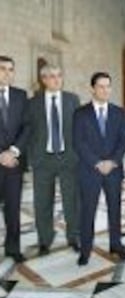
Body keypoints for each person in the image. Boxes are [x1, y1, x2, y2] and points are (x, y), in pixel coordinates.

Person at [73, 72, 125, 265]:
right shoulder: (81, 113)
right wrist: (97, 162)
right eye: (101, 86)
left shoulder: (119, 112)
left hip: (113, 170)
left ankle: (116, 244)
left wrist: (112, 162)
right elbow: (79, 143)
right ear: (92, 89)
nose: (105, 90)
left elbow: (123, 140)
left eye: (108, 86)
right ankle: (86, 249)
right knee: (88, 210)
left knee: (115, 209)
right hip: (90, 171)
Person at [28, 64, 80, 256]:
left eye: (59, 75)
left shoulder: (72, 100)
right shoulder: (33, 103)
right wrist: (32, 157)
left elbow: (78, 129)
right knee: (42, 202)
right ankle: (45, 239)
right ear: (43, 80)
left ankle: (74, 237)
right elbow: (28, 131)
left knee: (72, 201)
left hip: (69, 159)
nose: (56, 79)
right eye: (51, 76)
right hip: (43, 160)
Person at [0, 55, 29, 263]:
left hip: (14, 163)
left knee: (12, 207)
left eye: (11, 69)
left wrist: (14, 151)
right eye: (2, 69)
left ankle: (13, 248)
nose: (7, 73)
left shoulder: (21, 95)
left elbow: (27, 127)